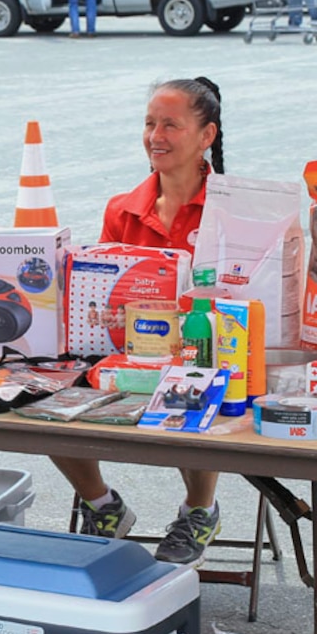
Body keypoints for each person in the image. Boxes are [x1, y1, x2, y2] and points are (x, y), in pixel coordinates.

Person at [52, 76, 226, 566]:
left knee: (192, 381)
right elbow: (102, 285)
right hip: (130, 351)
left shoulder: (229, 207)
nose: (156, 136)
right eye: (150, 123)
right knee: (47, 399)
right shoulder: (122, 208)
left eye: (171, 124)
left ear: (206, 135)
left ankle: (200, 509)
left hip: (204, 350)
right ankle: (102, 504)